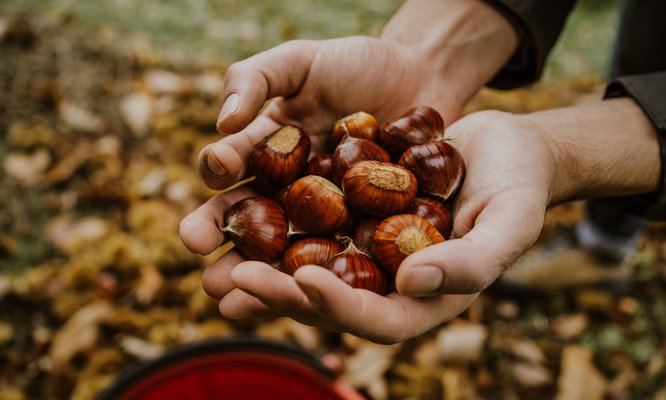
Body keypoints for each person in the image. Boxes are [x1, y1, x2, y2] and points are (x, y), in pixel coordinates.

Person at [178, 0, 666, 344]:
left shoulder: (370, 178)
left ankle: (604, 246)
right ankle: (605, 239)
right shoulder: (360, 175)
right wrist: (426, 55)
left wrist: (555, 151)